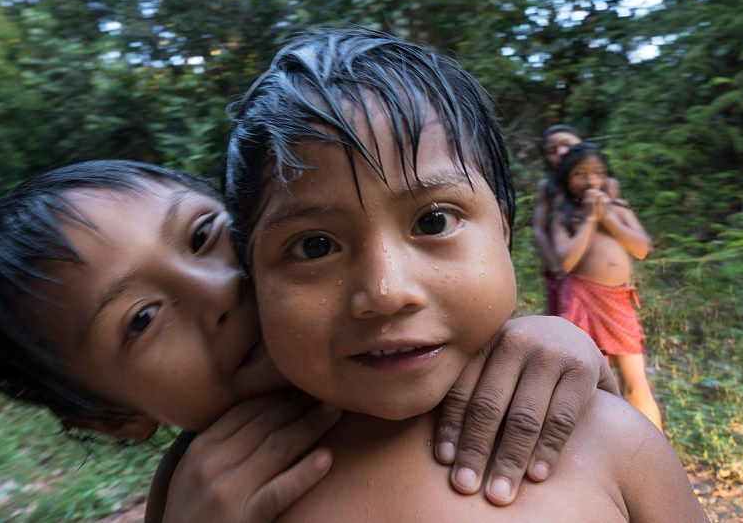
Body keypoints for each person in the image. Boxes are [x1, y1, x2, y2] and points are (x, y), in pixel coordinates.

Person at [222, 27, 708, 520]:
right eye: (315, 246)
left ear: (503, 228)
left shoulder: (614, 442)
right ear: (250, 284)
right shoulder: (219, 490)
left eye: (433, 220)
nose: (388, 293)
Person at [0, 160, 619, 521]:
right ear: (110, 418)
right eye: (140, 318)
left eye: (202, 235)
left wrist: (556, 338)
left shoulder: (434, 350)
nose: (216, 289)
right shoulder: (193, 503)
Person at [550, 141, 664, 431]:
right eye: (580, 174)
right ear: (566, 179)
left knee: (637, 385)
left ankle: (657, 455)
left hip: (618, 302)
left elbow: (640, 248)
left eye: (597, 173)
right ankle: (590, 453)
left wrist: (608, 218)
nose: (590, 180)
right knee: (583, 378)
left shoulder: (619, 209)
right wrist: (589, 219)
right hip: (580, 298)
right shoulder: (563, 216)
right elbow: (566, 261)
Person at [532, 124, 619, 316]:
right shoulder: (548, 188)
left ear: (582, 145)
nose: (561, 152)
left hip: (599, 273)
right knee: (569, 326)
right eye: (552, 150)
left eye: (566, 144)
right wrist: (556, 267)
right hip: (562, 268)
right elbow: (539, 231)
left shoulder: (607, 184)